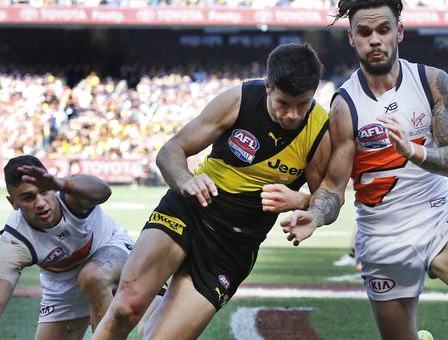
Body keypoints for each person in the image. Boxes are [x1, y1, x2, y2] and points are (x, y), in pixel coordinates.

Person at [280, 0, 448, 340]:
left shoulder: (433, 82)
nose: (375, 40)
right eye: (365, 32)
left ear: (398, 32)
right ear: (352, 38)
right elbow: (332, 188)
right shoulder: (344, 105)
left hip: (437, 217)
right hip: (381, 237)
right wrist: (316, 214)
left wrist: (413, 151)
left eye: (384, 30)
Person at [93, 43, 330, 339]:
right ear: (269, 86)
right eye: (284, 103)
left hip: (233, 245)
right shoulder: (239, 100)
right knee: (125, 306)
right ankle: (153, 298)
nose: (293, 115)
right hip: (190, 210)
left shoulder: (320, 130)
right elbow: (170, 151)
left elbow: (329, 199)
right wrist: (184, 180)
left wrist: (301, 200)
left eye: (303, 104)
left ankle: (159, 303)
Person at [0, 155, 135, 339]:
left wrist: (63, 184)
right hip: (61, 283)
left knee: (92, 277)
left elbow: (104, 191)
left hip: (111, 248)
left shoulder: (69, 196)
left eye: (44, 191)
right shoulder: (15, 240)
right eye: (28, 197)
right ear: (13, 202)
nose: (40, 203)